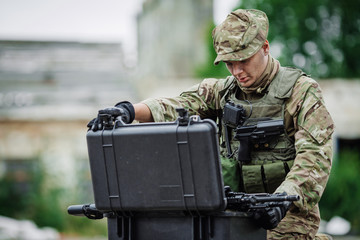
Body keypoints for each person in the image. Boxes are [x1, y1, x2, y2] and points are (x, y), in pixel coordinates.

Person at [90, 9, 334, 240]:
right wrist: (129, 110)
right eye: (229, 63)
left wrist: (283, 199)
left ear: (265, 48)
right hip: (231, 214)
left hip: (286, 216)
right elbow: (178, 105)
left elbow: (315, 156)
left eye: (244, 60)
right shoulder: (221, 92)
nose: (237, 71)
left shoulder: (301, 92)